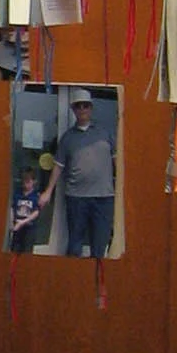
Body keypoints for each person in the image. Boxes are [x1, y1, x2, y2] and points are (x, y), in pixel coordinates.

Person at [42, 93, 116, 259]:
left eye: (85, 105)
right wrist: (47, 192)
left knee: (99, 247)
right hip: (76, 199)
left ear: (91, 107)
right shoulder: (67, 138)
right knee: (75, 246)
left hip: (104, 198)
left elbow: (117, 161)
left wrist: (124, 189)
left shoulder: (105, 133)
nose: (82, 109)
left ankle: (97, 282)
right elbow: (58, 166)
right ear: (73, 110)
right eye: (78, 106)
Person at [8, 168, 45, 253]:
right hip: (17, 226)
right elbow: (12, 208)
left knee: (27, 251)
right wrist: (11, 222)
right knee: (14, 249)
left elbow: (36, 212)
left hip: (29, 228)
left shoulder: (35, 196)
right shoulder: (17, 194)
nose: (25, 185)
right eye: (23, 182)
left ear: (34, 181)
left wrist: (24, 222)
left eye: (28, 182)